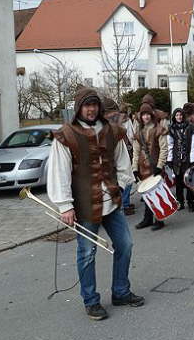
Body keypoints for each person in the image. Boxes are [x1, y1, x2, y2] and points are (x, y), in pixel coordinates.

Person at [47, 88, 143, 320]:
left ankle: (120, 292)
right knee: (87, 252)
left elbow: (123, 162)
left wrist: (120, 186)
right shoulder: (66, 135)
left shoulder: (112, 131)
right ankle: (91, 301)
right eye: (86, 105)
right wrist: (65, 206)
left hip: (111, 202)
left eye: (94, 105)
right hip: (84, 205)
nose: (91, 109)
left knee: (125, 245)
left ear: (99, 107)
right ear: (78, 107)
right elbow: (59, 172)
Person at [132, 102, 169, 230]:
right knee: (146, 194)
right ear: (141, 117)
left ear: (151, 115)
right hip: (143, 167)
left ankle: (159, 219)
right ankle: (147, 219)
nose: (146, 117)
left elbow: (164, 149)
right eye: (143, 115)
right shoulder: (139, 132)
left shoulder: (158, 129)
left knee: (157, 194)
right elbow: (136, 152)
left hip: (155, 165)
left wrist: (159, 166)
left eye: (148, 114)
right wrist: (134, 169)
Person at [103, 97, 136, 216]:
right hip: (125, 151)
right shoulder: (122, 122)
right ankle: (125, 203)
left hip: (122, 153)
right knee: (127, 178)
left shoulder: (115, 124)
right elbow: (131, 135)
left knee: (125, 177)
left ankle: (123, 202)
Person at [167, 108, 194, 212]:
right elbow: (170, 144)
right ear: (174, 117)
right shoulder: (171, 129)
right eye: (177, 115)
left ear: (183, 116)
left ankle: (191, 202)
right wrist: (170, 159)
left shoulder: (191, 127)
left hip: (188, 158)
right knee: (179, 182)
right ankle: (180, 202)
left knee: (189, 182)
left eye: (180, 115)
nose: (179, 117)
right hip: (177, 159)